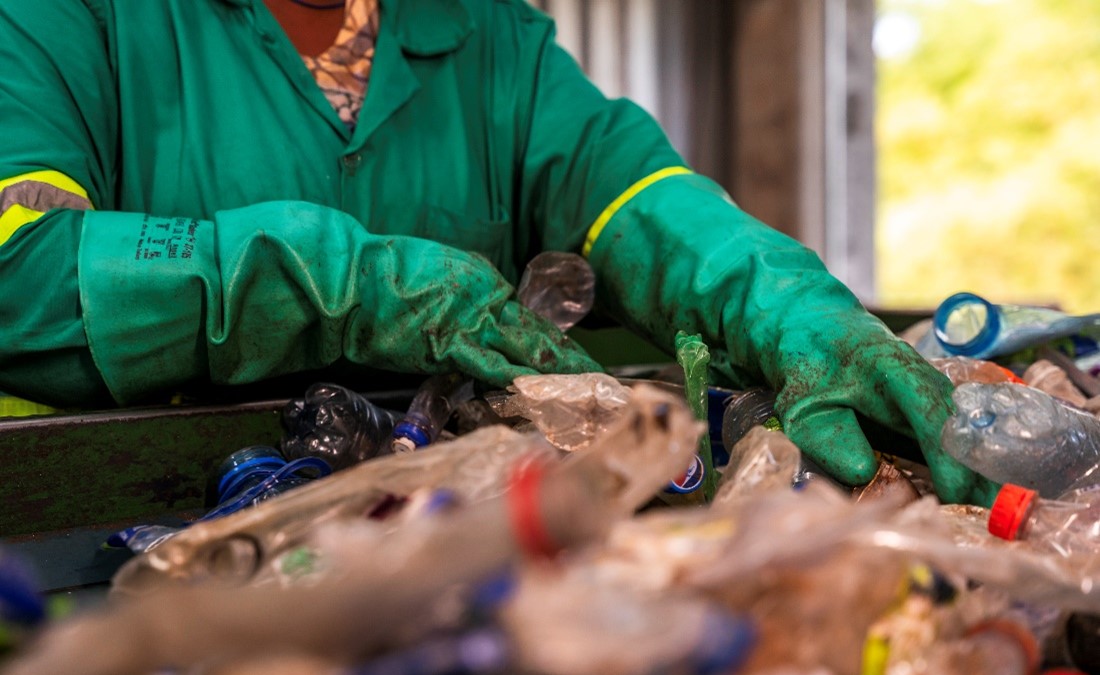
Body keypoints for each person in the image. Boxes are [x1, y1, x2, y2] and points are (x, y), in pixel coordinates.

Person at [0, 0, 997, 505]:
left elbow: (637, 201)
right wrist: (339, 285)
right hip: (129, 529)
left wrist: (792, 310)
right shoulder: (63, 22)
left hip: (452, 521)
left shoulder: (482, 38)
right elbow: (22, 269)